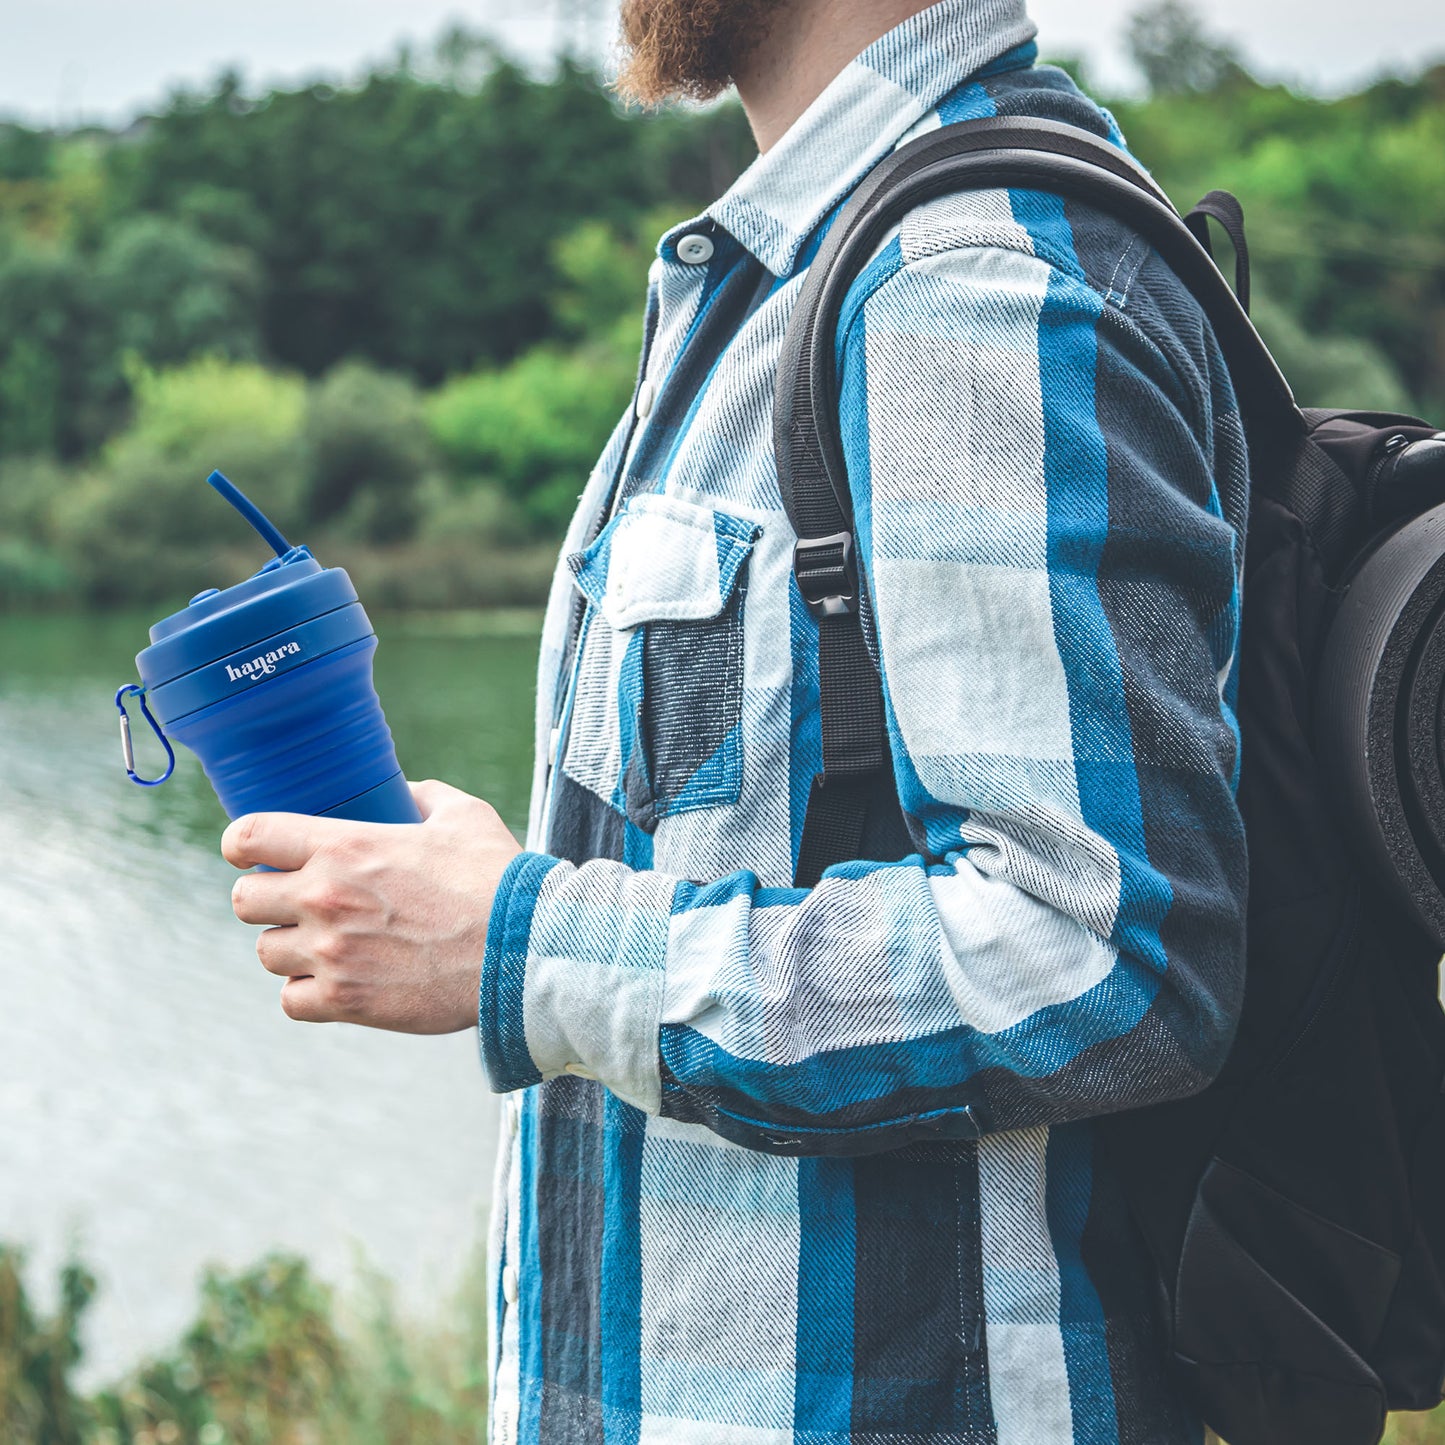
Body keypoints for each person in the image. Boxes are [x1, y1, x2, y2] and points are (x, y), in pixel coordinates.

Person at [223, 0, 1250, 1439]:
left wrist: (518, 943)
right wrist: (495, 901)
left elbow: (1091, 950)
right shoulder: (811, 266)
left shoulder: (961, 281)